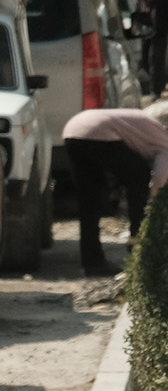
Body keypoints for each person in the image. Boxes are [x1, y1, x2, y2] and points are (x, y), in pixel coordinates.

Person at [62, 106, 168, 277]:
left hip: (73, 131)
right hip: (98, 133)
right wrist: (154, 200)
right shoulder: (162, 137)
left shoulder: (144, 123)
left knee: (89, 200)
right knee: (139, 177)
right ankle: (137, 243)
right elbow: (159, 179)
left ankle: (92, 262)